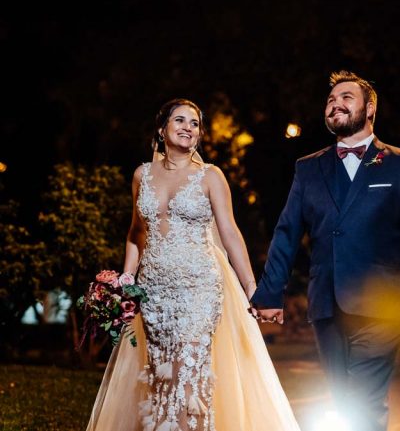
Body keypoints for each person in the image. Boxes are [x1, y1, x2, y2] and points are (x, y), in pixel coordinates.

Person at [86, 98, 301, 431]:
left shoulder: (210, 176)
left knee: (189, 382)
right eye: (180, 120)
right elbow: (136, 234)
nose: (188, 127)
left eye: (195, 123)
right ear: (162, 129)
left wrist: (252, 288)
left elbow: (230, 234)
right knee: (161, 380)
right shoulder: (141, 175)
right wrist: (125, 283)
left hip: (199, 289)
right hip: (154, 292)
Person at [251, 71, 400, 431]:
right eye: (330, 99)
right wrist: (270, 292)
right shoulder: (308, 168)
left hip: (382, 303)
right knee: (341, 397)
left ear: (369, 109)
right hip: (327, 303)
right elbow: (287, 233)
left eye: (346, 97)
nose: (335, 103)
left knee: (364, 398)